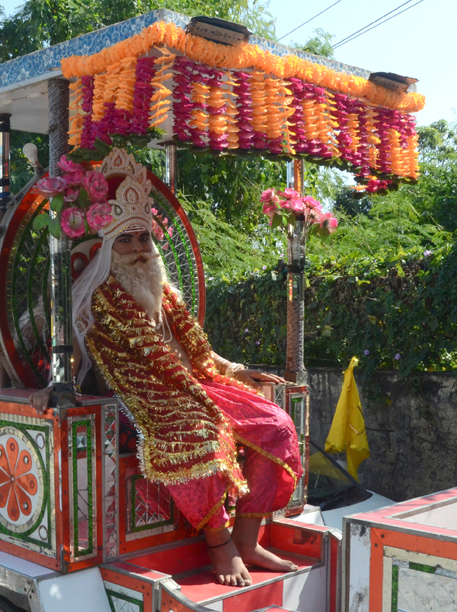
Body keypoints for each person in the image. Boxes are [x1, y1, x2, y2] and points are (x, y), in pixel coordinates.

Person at [30, 148, 302, 588]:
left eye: (143, 239)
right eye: (127, 241)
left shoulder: (166, 295)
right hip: (144, 397)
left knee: (278, 424)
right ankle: (220, 545)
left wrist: (235, 370)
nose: (138, 250)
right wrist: (55, 383)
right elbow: (74, 352)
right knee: (200, 433)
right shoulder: (99, 298)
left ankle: (247, 539)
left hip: (197, 384)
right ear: (109, 248)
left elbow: (198, 351)